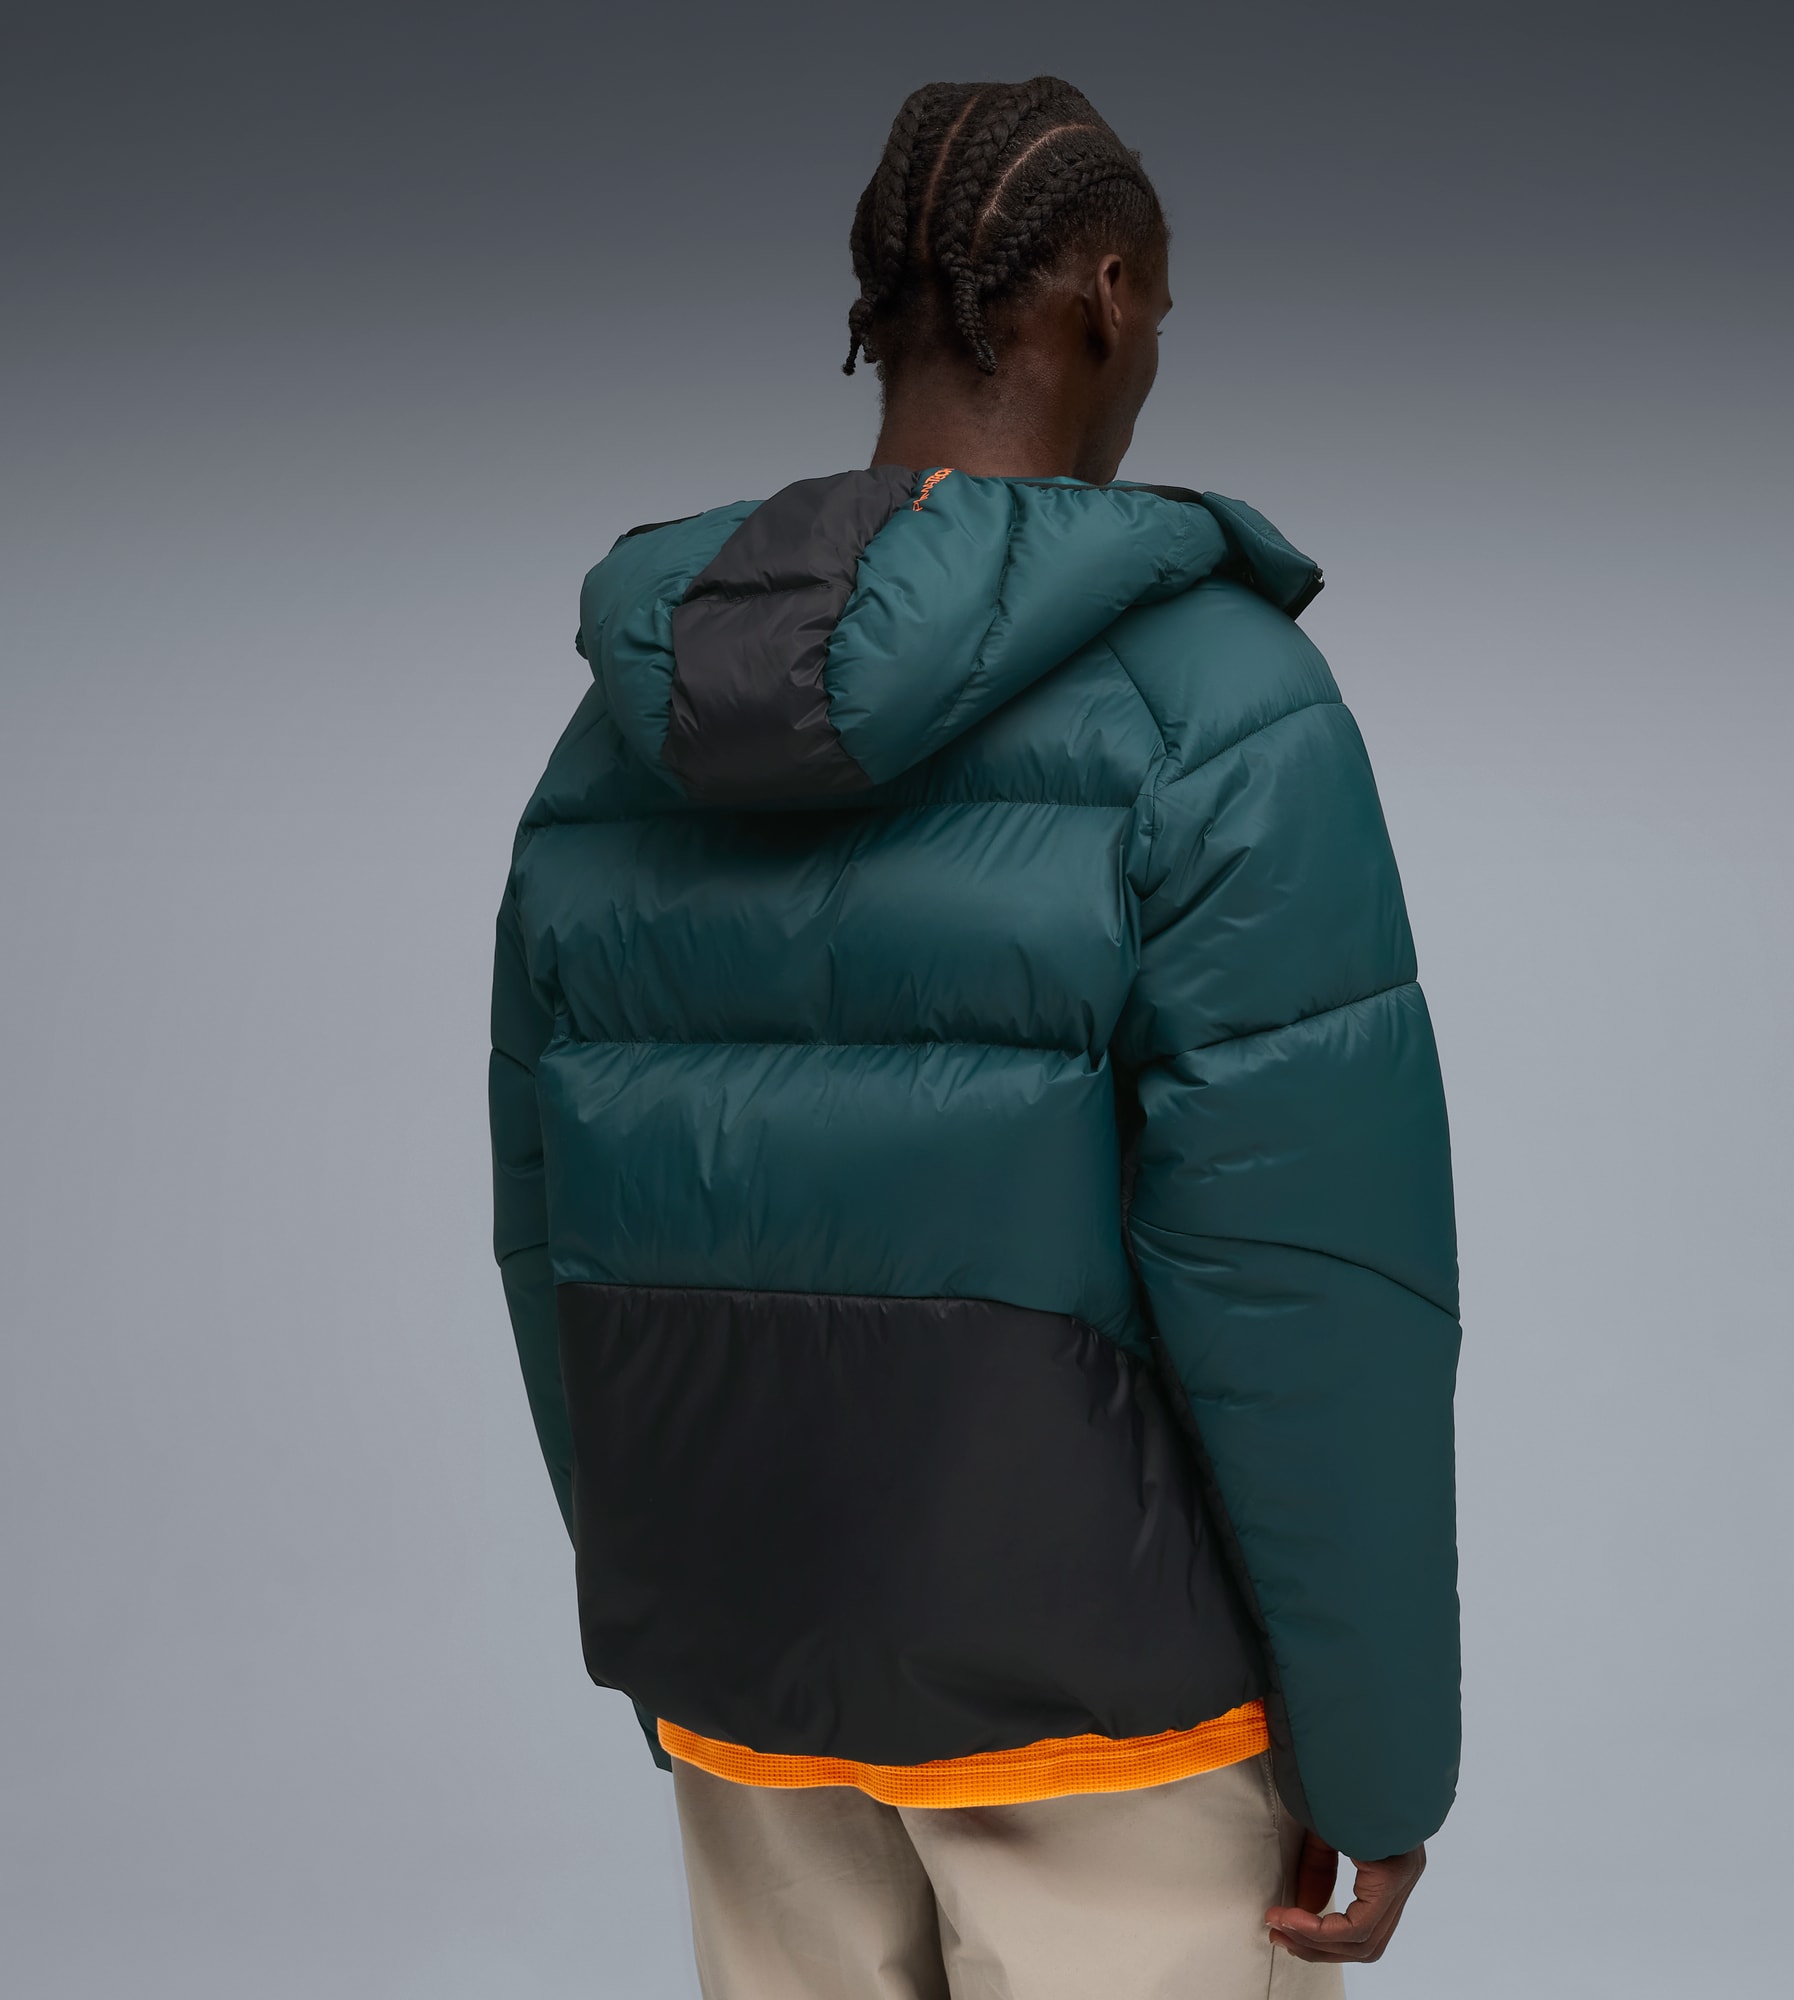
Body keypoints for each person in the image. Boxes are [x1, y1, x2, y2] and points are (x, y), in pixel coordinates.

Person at [489, 74, 1460, 1999]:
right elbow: (1308, 1292)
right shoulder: (1219, 710)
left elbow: (556, 1242)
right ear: (1108, 292)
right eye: (1162, 303)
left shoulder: (625, 733)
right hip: (1117, 1722)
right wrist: (1380, 1756)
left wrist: (683, 1623)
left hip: (753, 1694)